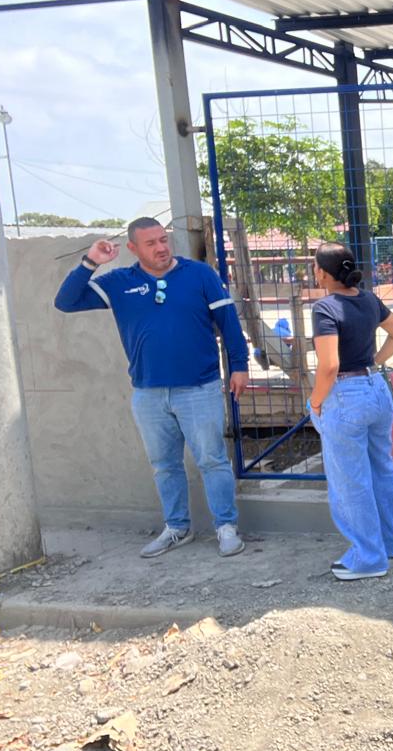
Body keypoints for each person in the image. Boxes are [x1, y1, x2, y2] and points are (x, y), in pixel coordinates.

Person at [54, 218, 250, 559]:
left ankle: (226, 527)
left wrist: (240, 364)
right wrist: (90, 262)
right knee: (164, 464)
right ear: (133, 248)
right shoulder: (119, 282)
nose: (161, 248)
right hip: (148, 393)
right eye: (151, 243)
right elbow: (66, 302)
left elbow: (228, 322)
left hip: (199, 387)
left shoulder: (199, 274)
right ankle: (177, 528)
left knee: (212, 460)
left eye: (163, 240)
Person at [307, 242, 393, 580]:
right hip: (376, 389)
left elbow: (329, 366)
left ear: (323, 273)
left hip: (345, 397)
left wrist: (316, 401)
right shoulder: (368, 299)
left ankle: (368, 558)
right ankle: (391, 543)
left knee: (350, 481)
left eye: (315, 266)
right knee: (381, 470)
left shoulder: (325, 307)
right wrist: (372, 364)